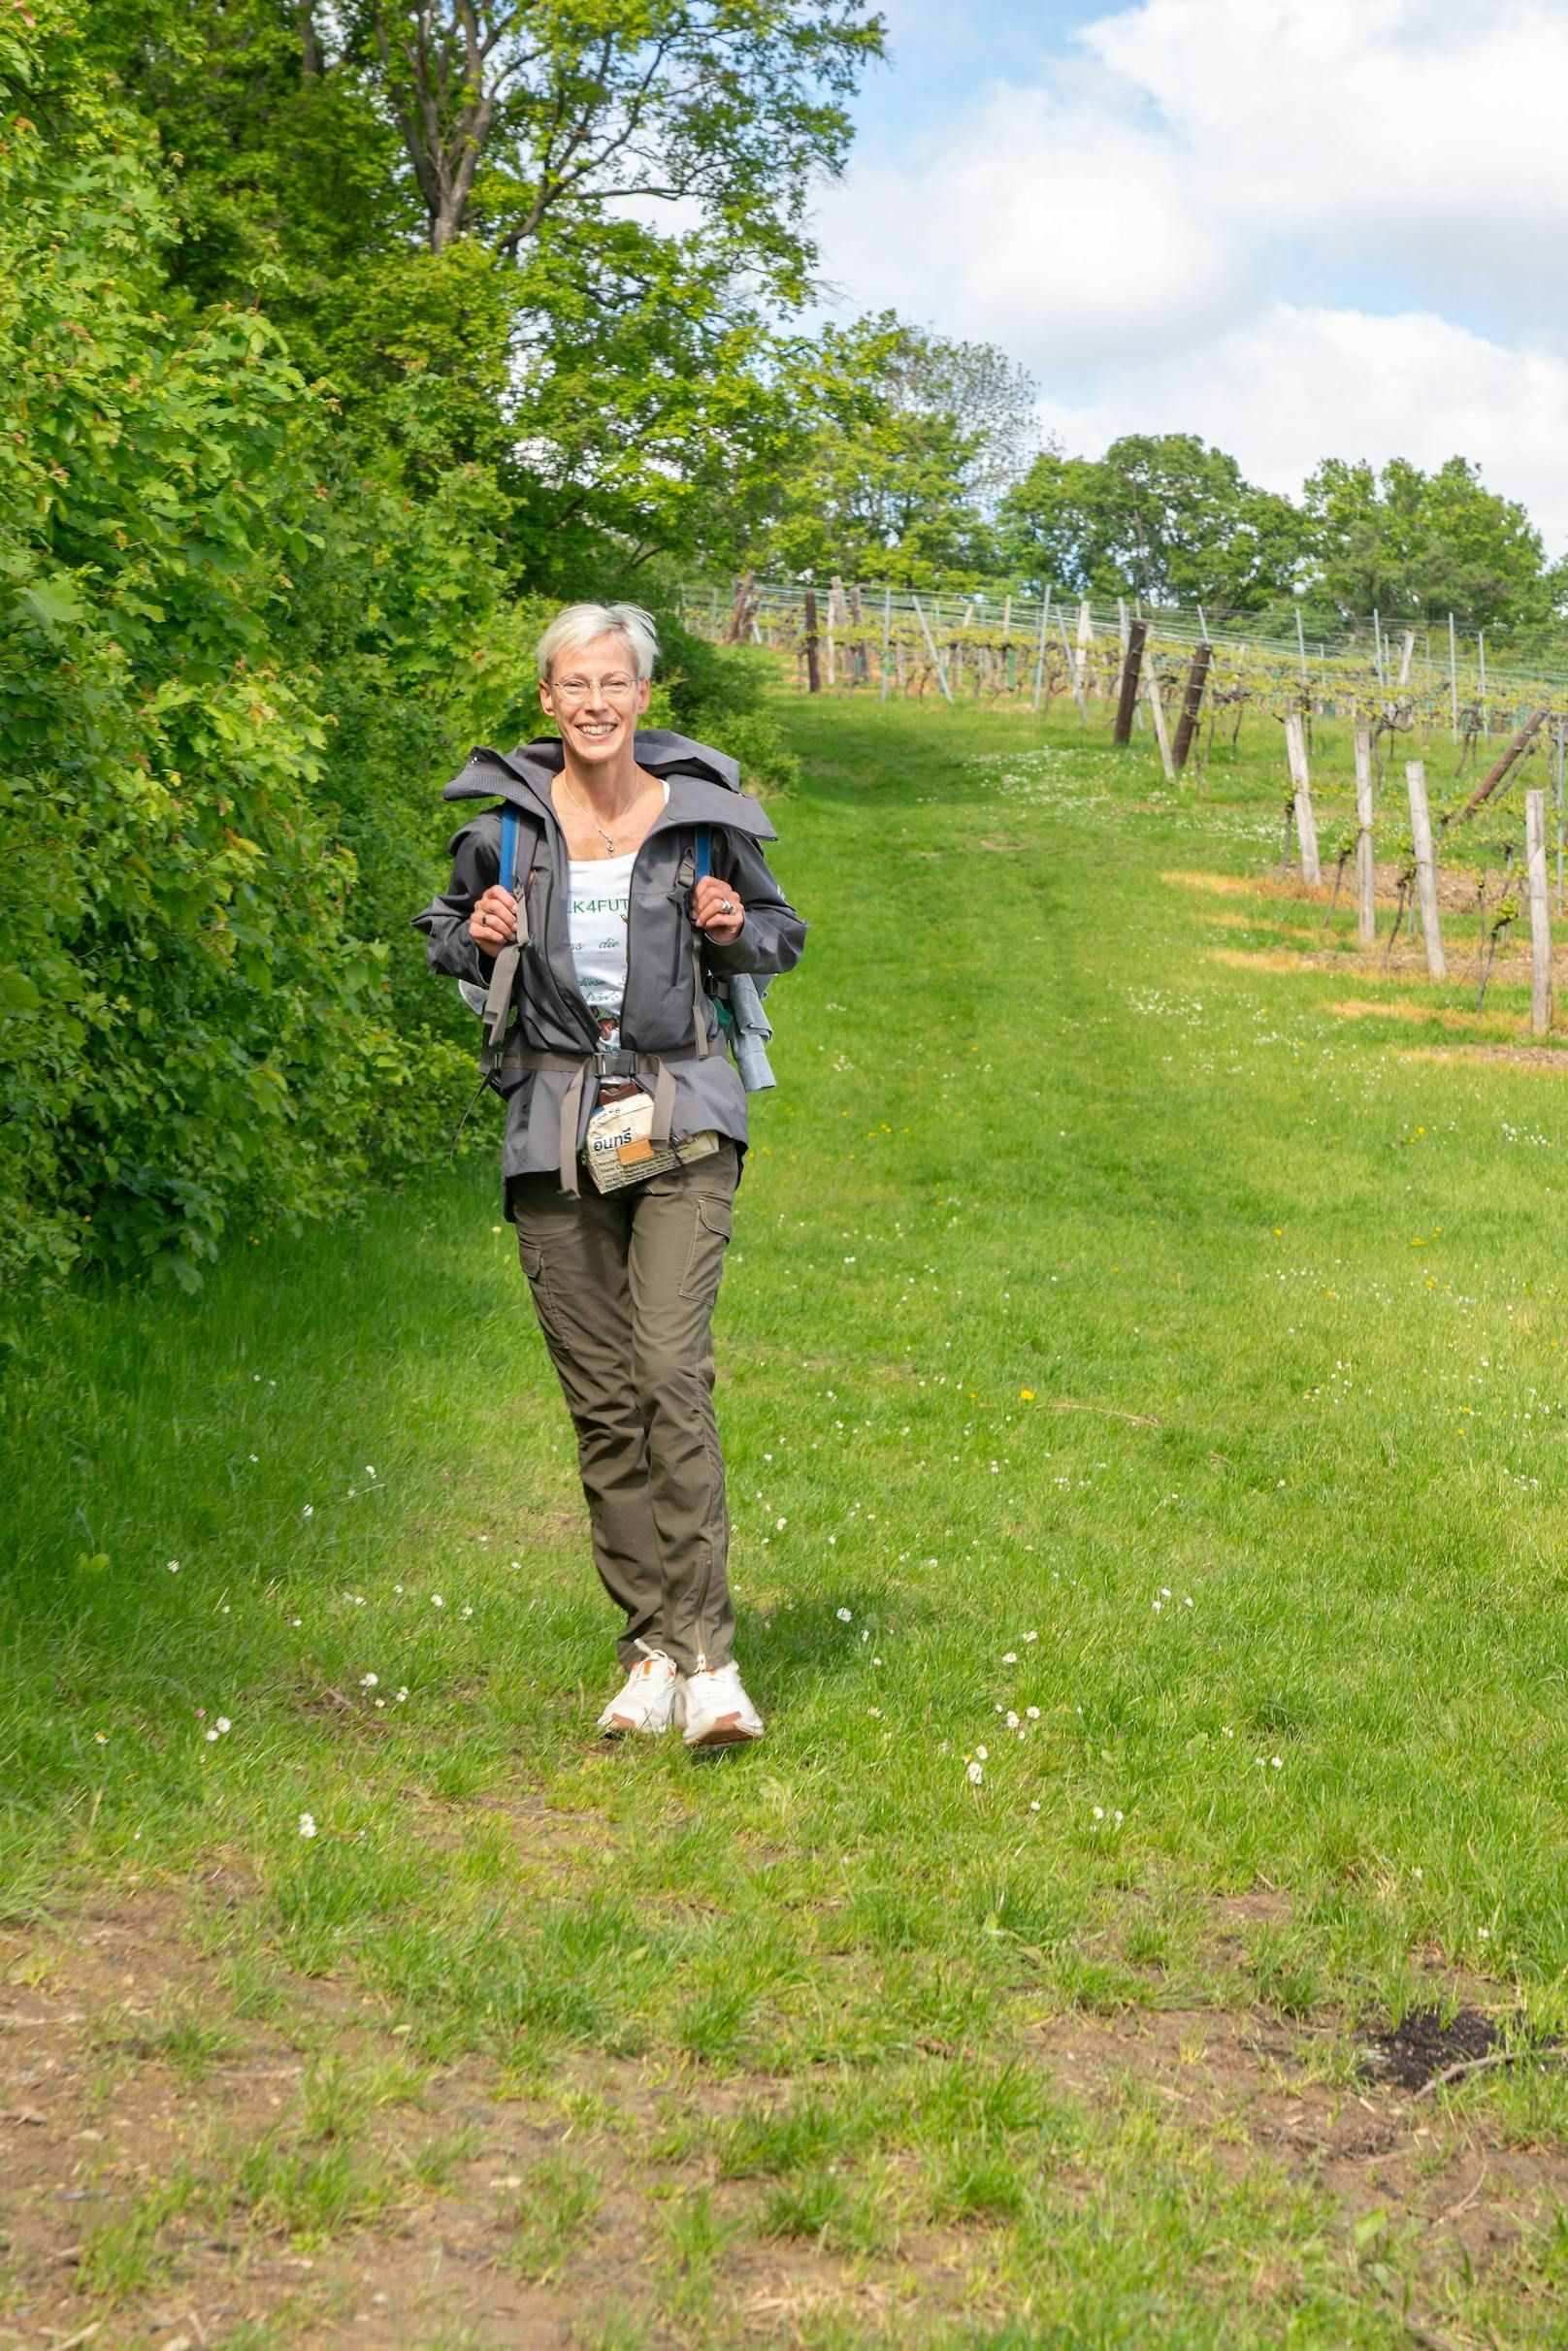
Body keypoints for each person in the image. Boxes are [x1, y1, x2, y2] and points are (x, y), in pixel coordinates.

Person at [412, 603, 805, 1747]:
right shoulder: (503, 831)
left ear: (643, 697)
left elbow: (781, 934)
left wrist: (732, 923)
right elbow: (439, 933)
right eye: (573, 684)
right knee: (601, 1403)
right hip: (550, 1123)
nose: (593, 702)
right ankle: (648, 1649)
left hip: (679, 1116)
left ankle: (710, 1660)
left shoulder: (700, 821)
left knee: (669, 1375)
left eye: (614, 683)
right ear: (547, 699)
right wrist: (474, 931)